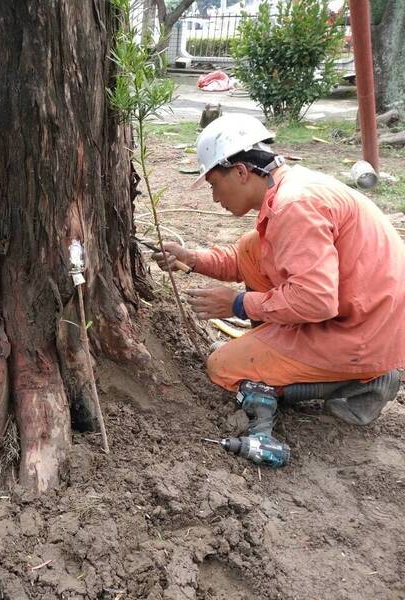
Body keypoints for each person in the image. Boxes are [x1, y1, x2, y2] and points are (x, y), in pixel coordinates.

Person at [153, 114, 404, 461]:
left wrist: (238, 304)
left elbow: (315, 301)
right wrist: (192, 258)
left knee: (223, 366)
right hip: (365, 315)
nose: (214, 198)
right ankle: (303, 358)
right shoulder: (291, 190)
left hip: (360, 333)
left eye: (214, 184)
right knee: (250, 247)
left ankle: (363, 382)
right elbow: (245, 261)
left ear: (241, 171)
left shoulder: (294, 207)